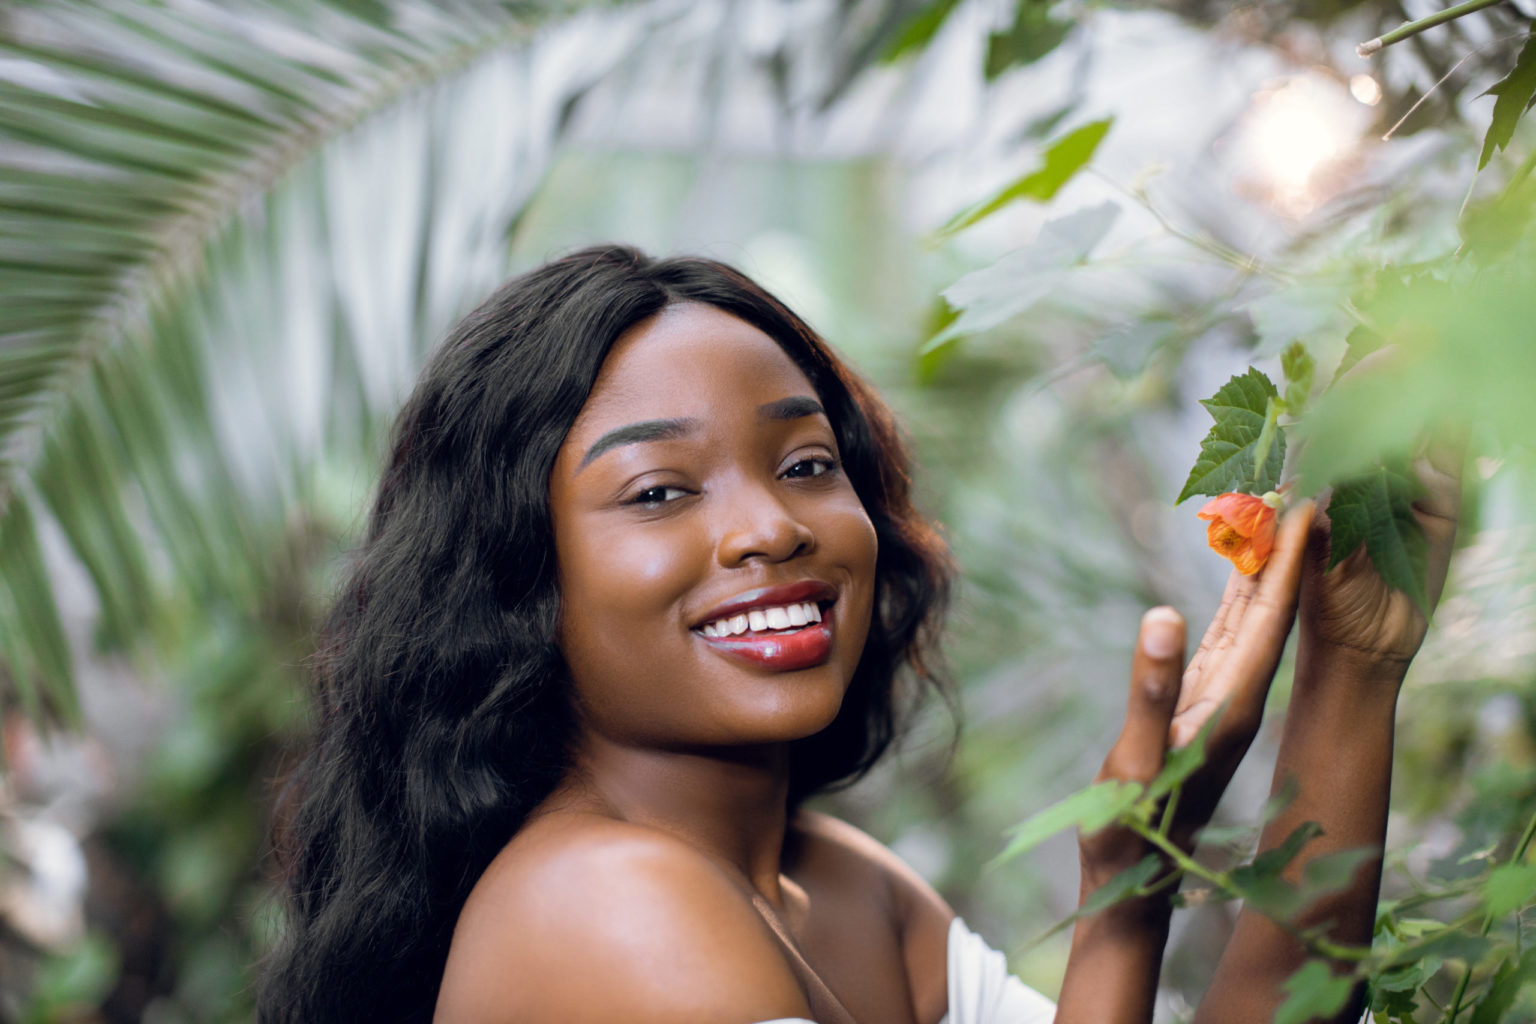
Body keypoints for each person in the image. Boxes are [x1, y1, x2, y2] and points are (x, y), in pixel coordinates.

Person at [255, 245, 1460, 1024]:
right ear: (521, 577)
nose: (771, 528)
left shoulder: (838, 888)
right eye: (661, 491)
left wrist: (1350, 674)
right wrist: (1126, 890)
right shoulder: (605, 907)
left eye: (806, 462)